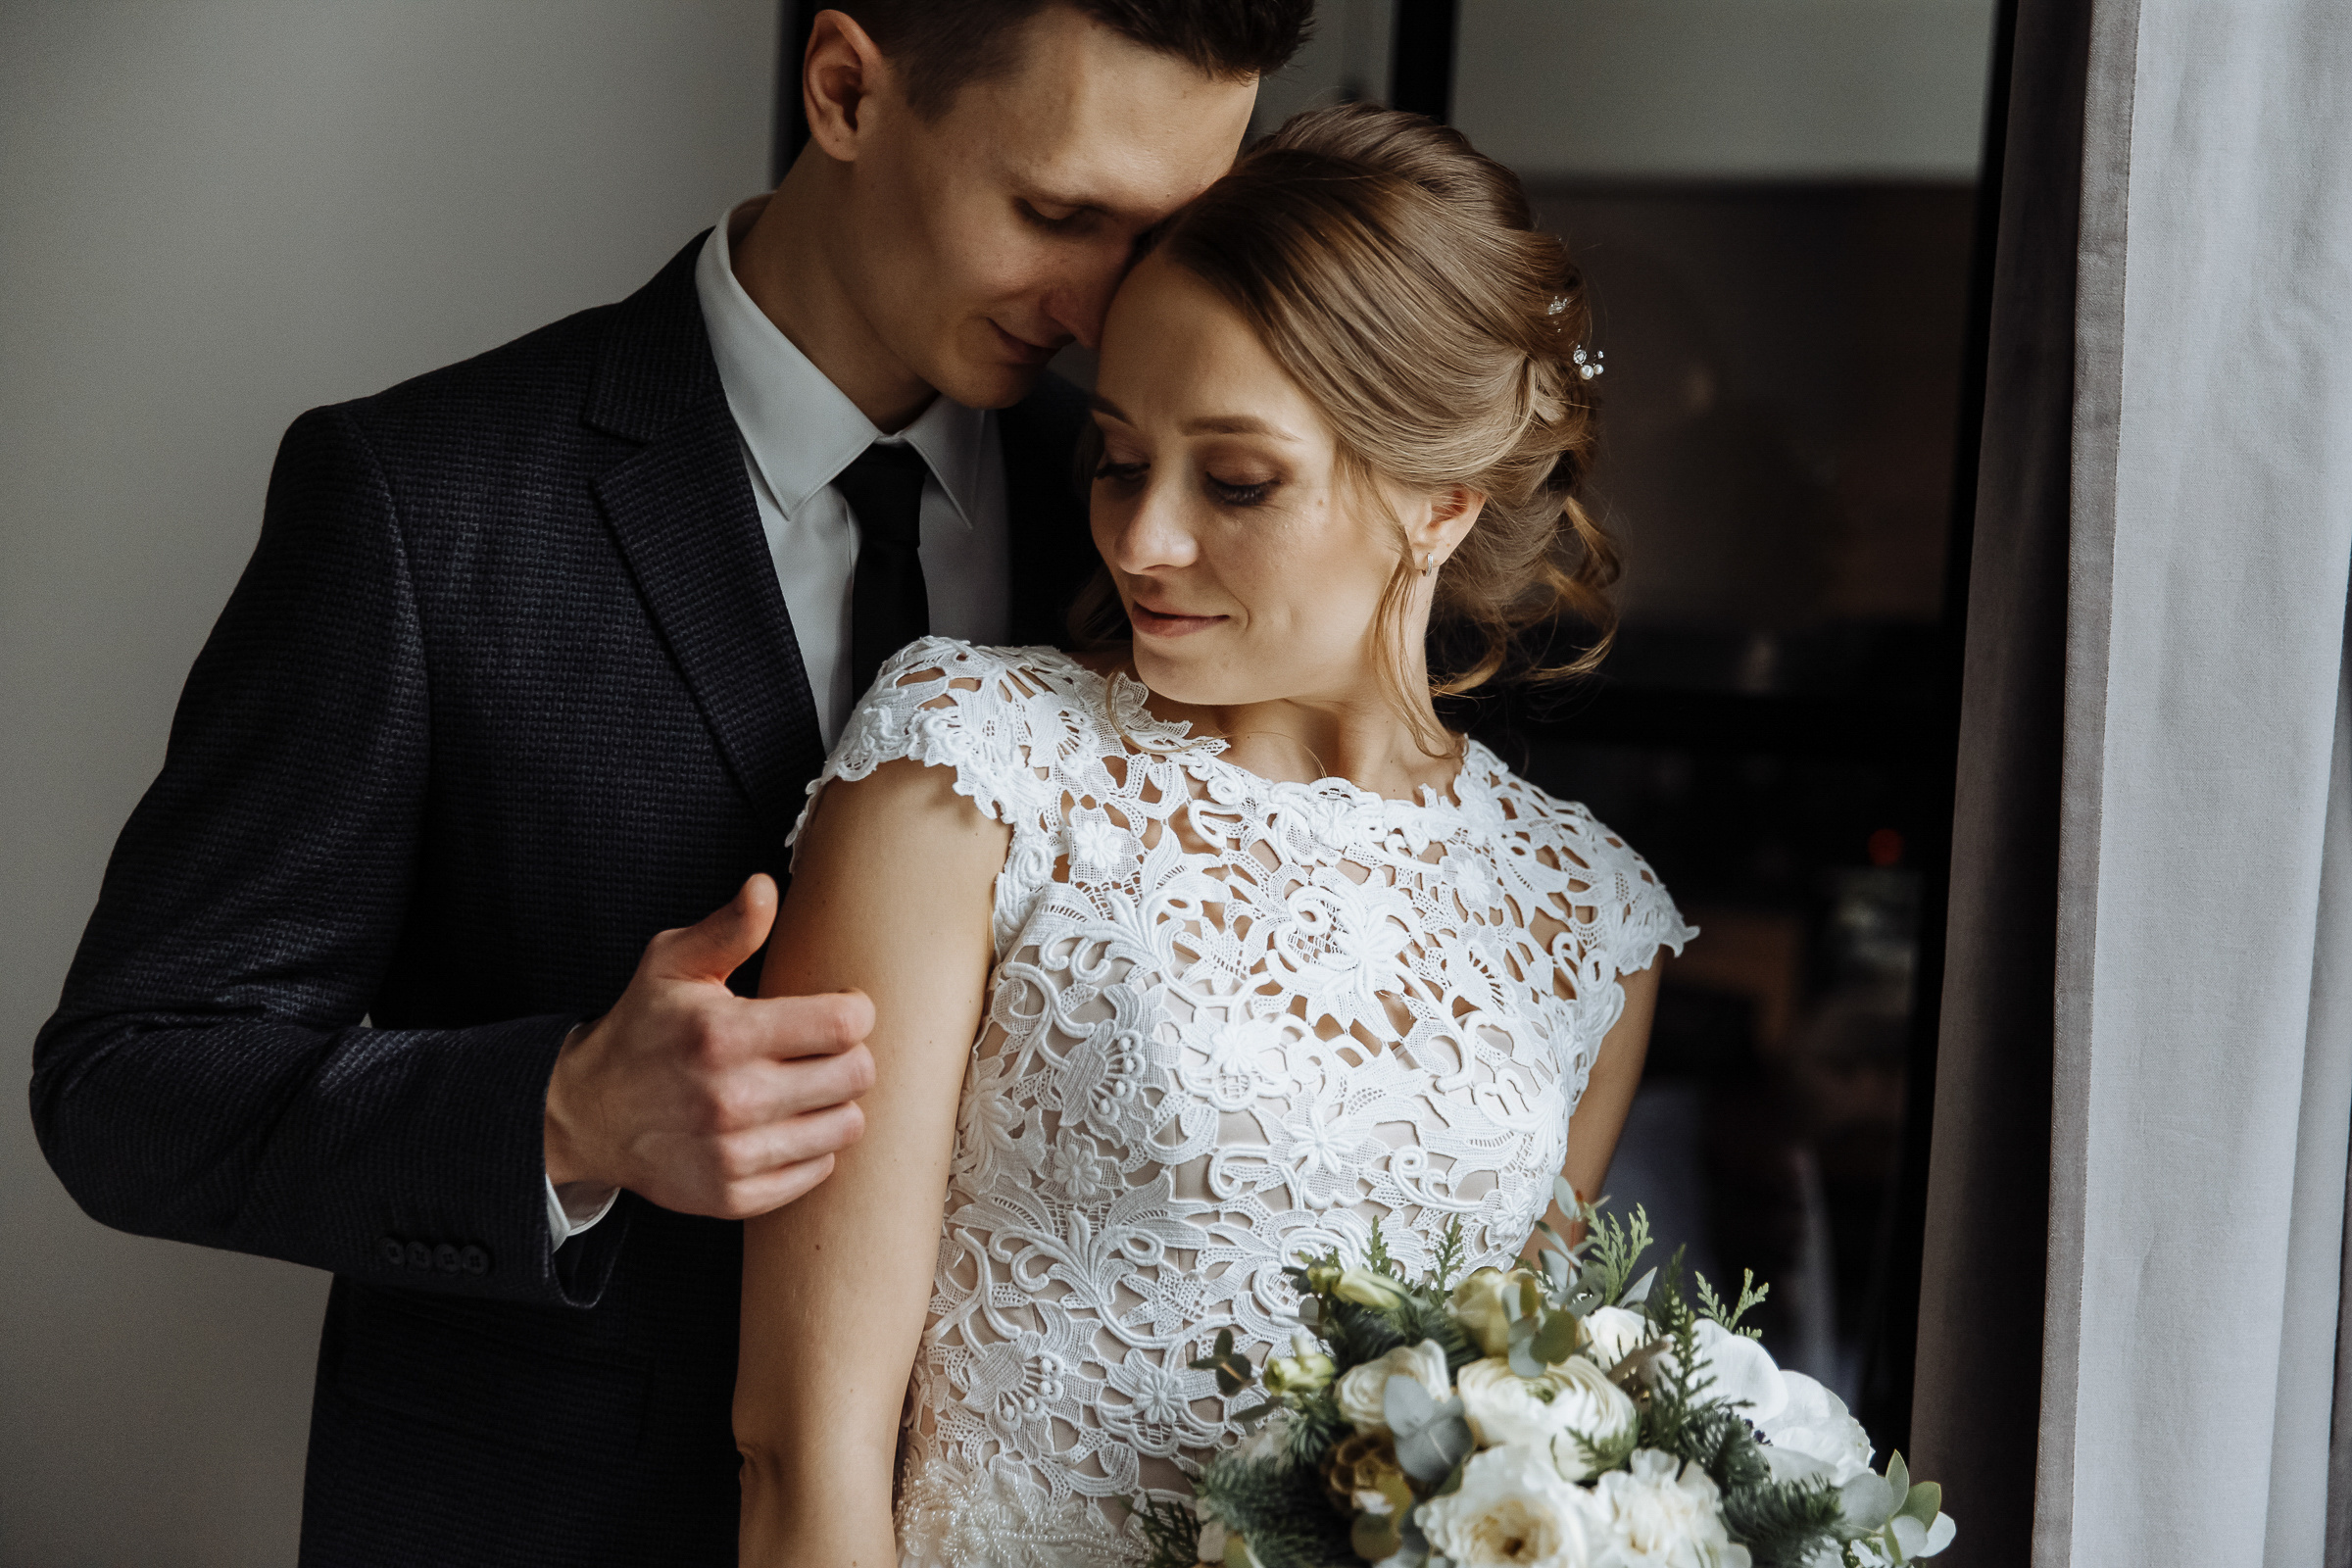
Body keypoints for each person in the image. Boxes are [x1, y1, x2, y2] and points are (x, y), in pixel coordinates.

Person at [28, 5, 1309, 1564]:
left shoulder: (1173, 534)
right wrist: (562, 1113)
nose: (1118, 305)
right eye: (1058, 213)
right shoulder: (421, 503)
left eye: (1167, 231)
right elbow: (127, 1085)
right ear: (845, 91)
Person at [732, 103, 1698, 1568]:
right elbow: (806, 1450)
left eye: (1235, 480)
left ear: (1442, 501)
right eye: (1120, 460)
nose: (1143, 540)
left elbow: (1489, 1454)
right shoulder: (971, 768)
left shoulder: (1592, 926)